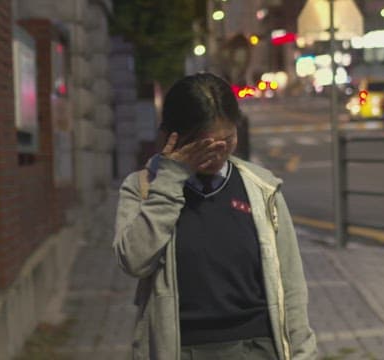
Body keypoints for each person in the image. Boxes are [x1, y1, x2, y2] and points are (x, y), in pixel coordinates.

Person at [113, 73, 316, 360]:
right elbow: (133, 261)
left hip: (258, 349)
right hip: (182, 348)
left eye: (228, 139)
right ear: (174, 137)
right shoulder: (143, 188)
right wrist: (171, 179)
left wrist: (303, 352)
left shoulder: (262, 188)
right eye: (206, 144)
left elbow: (291, 285)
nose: (219, 152)